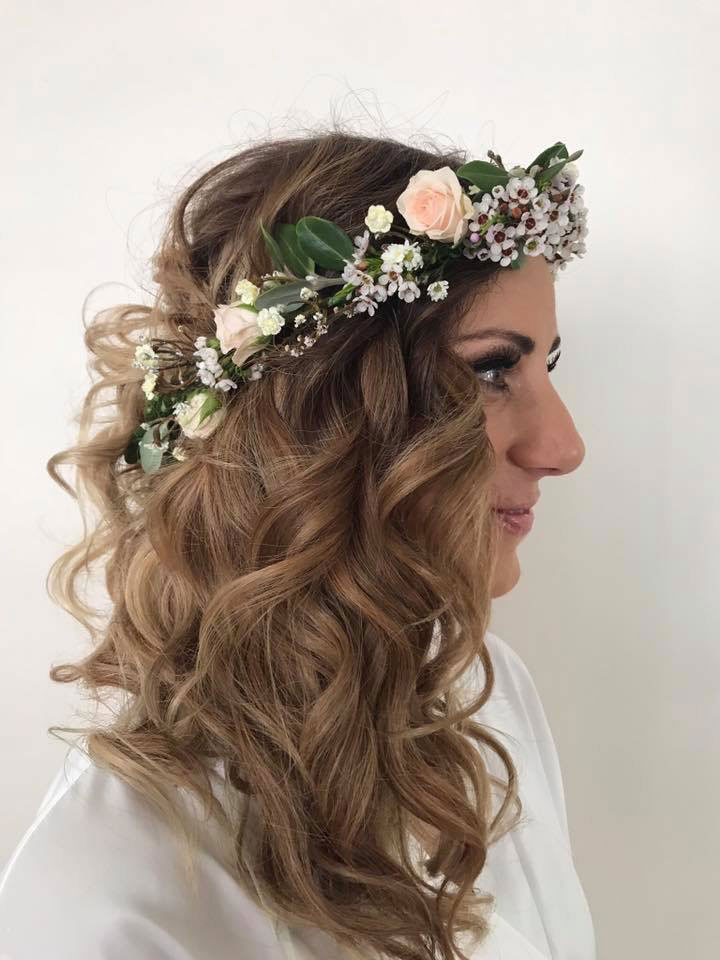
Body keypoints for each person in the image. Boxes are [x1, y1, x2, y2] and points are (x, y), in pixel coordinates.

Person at [0, 127, 596, 959]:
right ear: (321, 417)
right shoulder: (109, 882)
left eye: (548, 368)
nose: (563, 447)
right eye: (494, 370)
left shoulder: (480, 698)